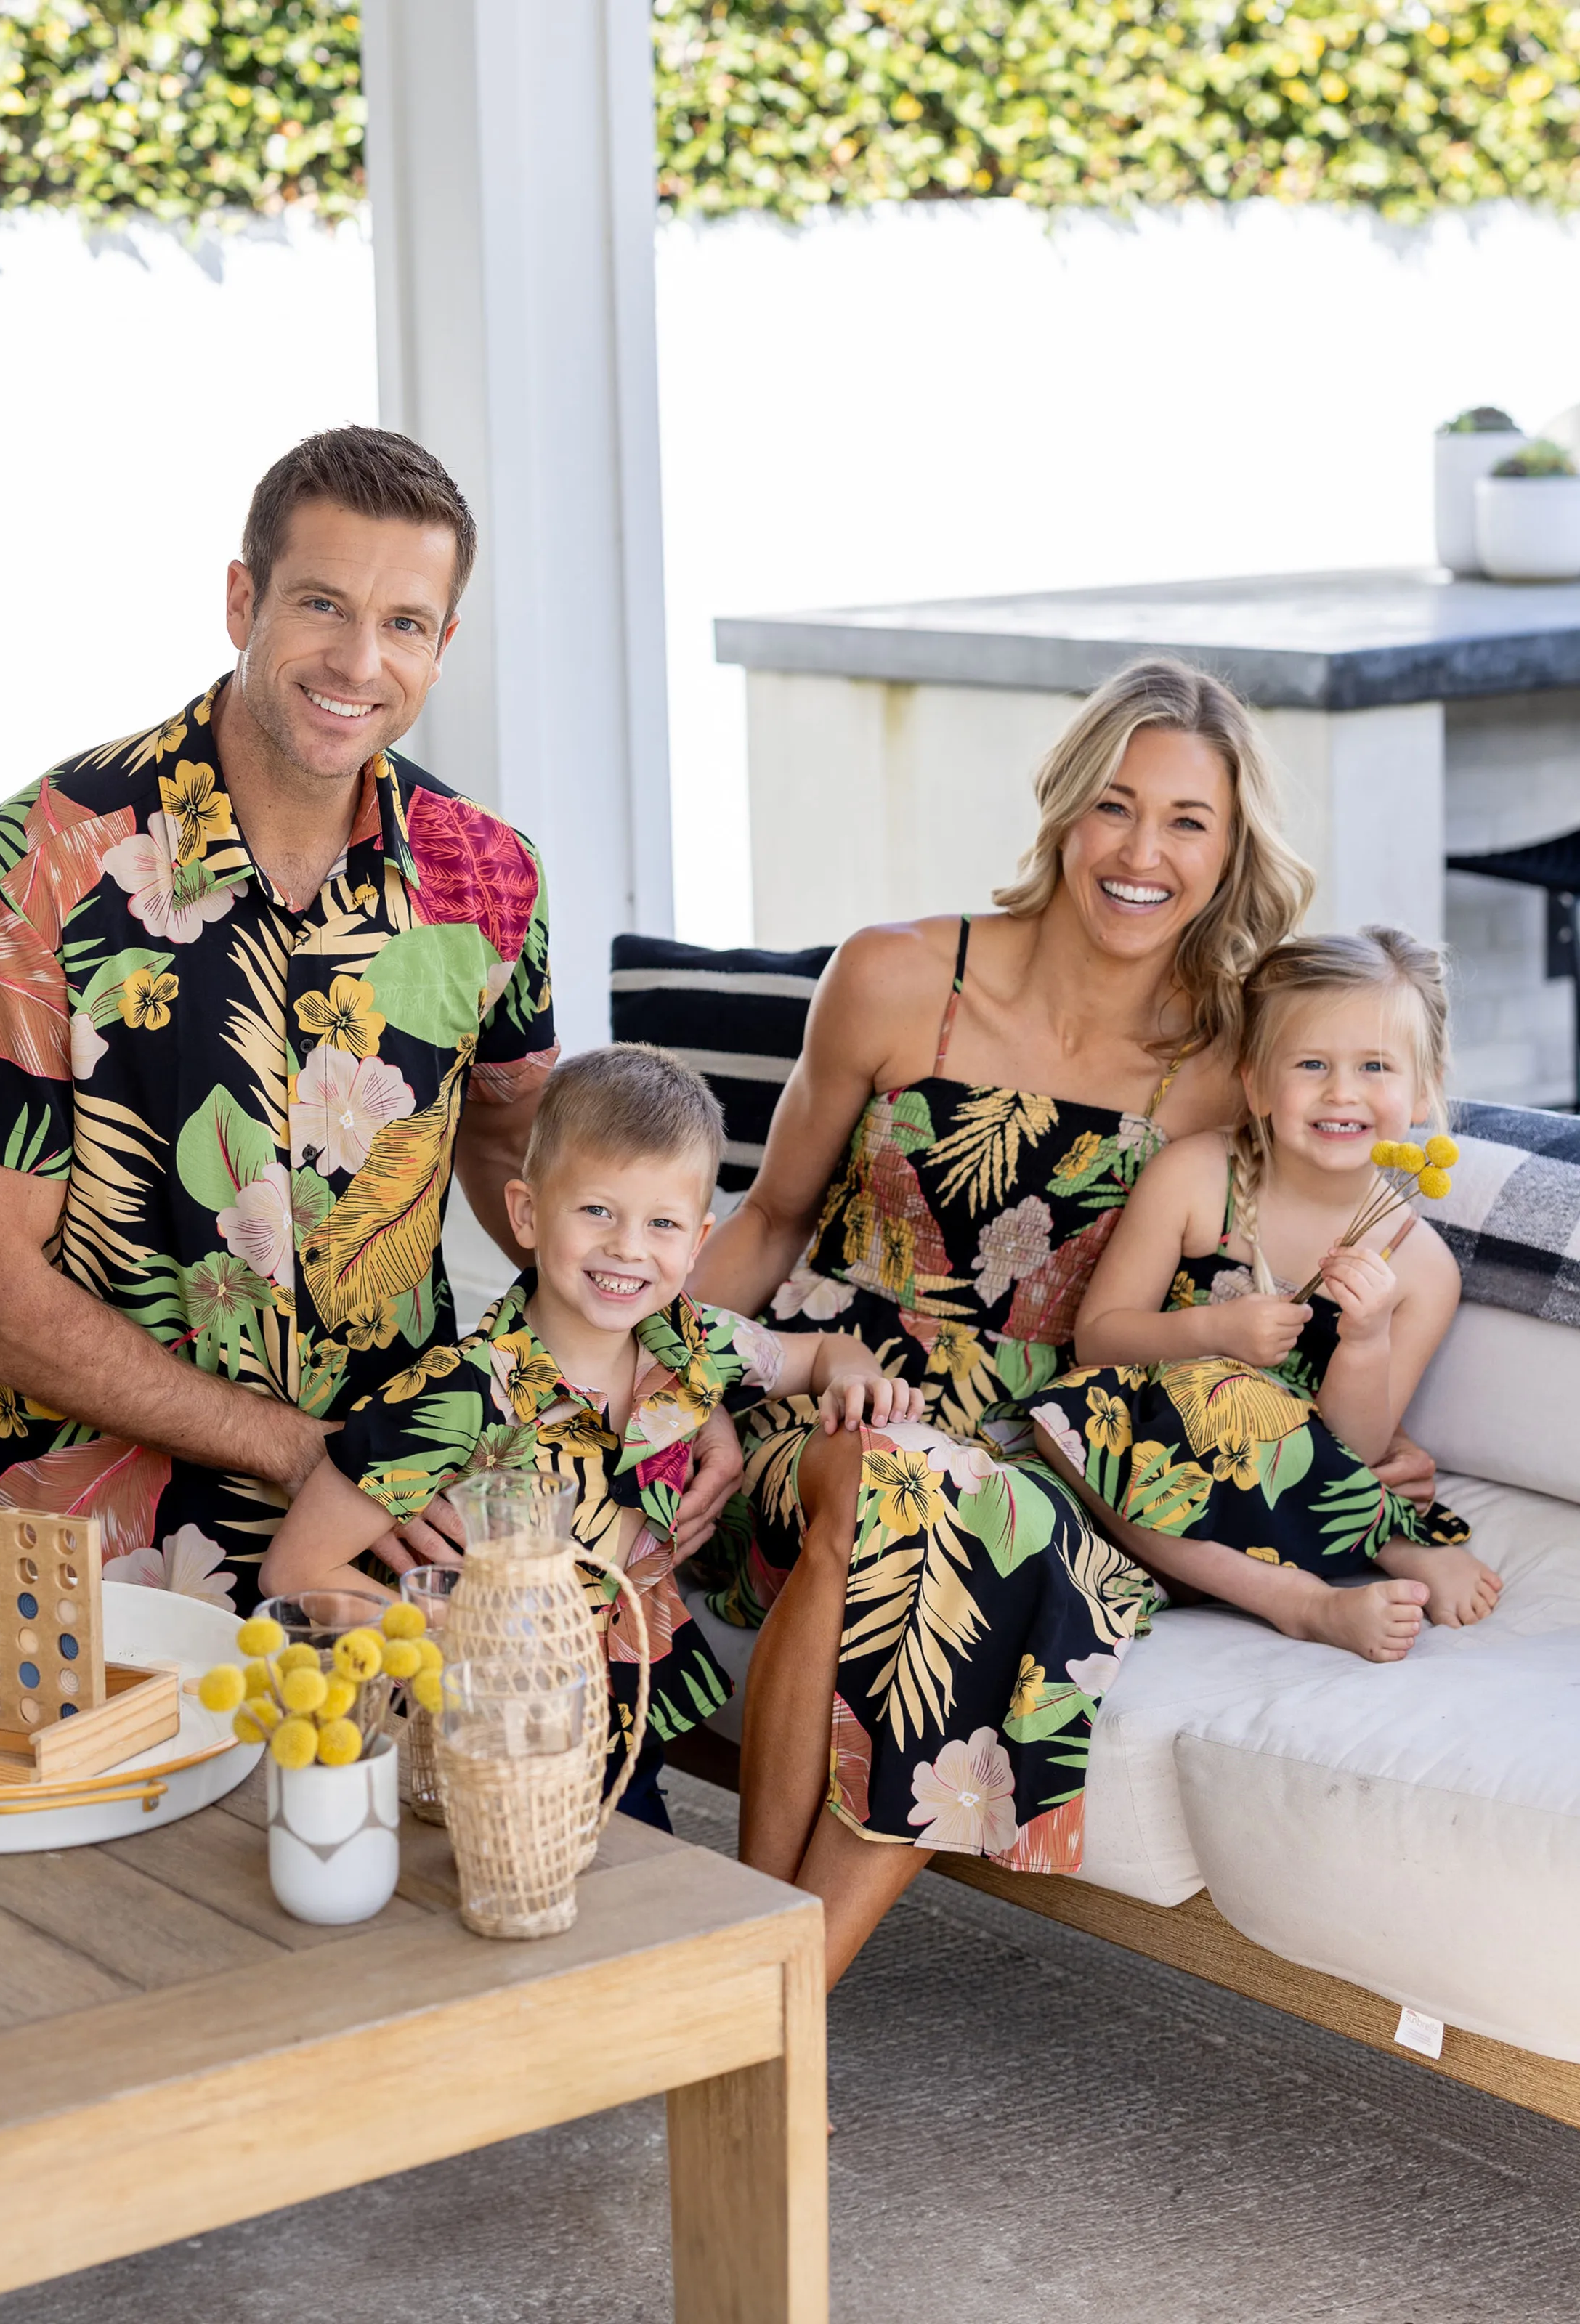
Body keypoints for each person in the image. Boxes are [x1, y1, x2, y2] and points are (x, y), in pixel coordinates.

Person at [0, 425, 740, 1611]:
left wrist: (666, 1388)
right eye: (323, 605)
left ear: (442, 648)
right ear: (243, 601)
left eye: (405, 624)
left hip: (398, 1530)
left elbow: (521, 1148)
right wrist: (295, 1448)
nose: (359, 661)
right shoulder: (31, 865)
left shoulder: (488, 876)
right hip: (81, 1549)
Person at [687, 656, 1446, 1991]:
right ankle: (755, 1960)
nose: (1141, 851)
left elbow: (1367, 1147)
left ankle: (760, 1997)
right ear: (1060, 810)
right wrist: (661, 1393)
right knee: (880, 1481)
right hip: (840, 1391)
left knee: (982, 1524)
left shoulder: (1234, 1058)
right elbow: (764, 1220)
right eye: (1113, 806)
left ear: (1229, 851)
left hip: (1062, 1453)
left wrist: (1351, 1459)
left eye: (1187, 822)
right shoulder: (892, 978)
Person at [264, 1044, 923, 1826]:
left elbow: (821, 1355)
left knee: (637, 1900)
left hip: (616, 1718)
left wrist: (854, 1376)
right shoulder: (457, 1392)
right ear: (528, 1213)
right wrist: (462, 1632)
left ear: (698, 1237)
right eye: (597, 1210)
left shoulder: (699, 1343)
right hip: (465, 1739)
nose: (628, 1247)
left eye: (663, 1223)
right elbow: (295, 1568)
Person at [1029, 927, 1502, 1660]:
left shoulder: (1420, 1267)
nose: (1342, 1091)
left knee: (1326, 1454)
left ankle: (1385, 1548)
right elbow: (1097, 1338)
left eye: (1375, 1065)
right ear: (1254, 1082)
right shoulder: (1198, 1176)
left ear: (1426, 1087)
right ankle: (1302, 1600)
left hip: (1293, 1483)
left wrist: (1365, 1337)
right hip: (1158, 1473)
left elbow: (1360, 1448)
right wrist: (1212, 1332)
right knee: (1062, 1422)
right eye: (1311, 1063)